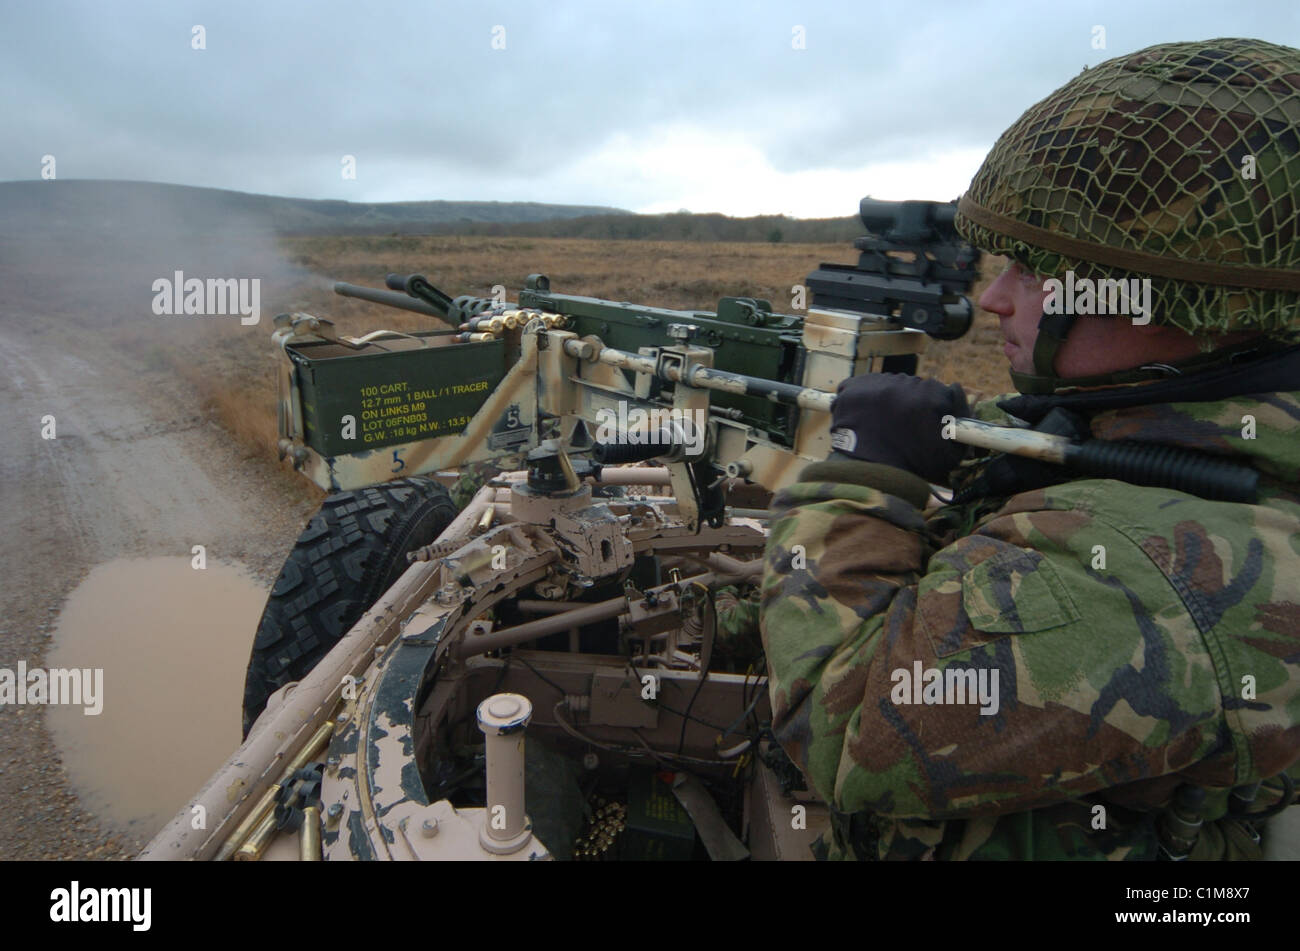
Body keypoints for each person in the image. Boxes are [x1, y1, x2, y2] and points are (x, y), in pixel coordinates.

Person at [760, 37, 1300, 859]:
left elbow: (842, 730)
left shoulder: (1151, 567)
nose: (992, 298)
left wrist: (857, 479)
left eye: (1032, 268)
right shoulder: (1232, 437)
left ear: (1168, 295)